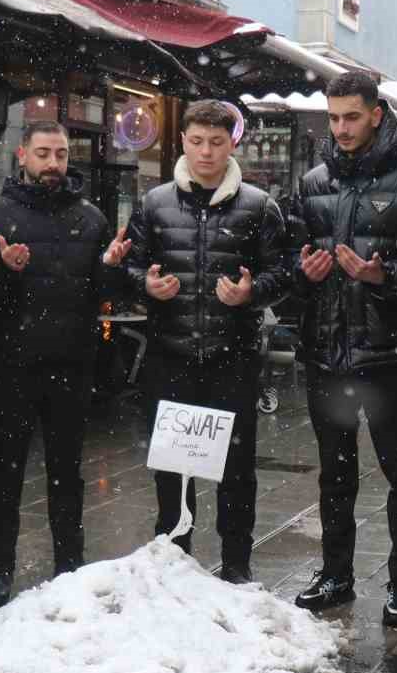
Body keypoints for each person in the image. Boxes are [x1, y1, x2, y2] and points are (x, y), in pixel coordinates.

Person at [289, 70, 397, 626]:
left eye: (352, 116)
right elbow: (291, 256)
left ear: (376, 113)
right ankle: (335, 574)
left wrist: (387, 275)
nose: (341, 128)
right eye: (334, 117)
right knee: (334, 474)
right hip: (328, 351)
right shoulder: (312, 183)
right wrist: (304, 270)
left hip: (392, 353)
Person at [107, 100, 288, 582]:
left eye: (216, 141)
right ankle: (174, 558)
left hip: (234, 356)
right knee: (172, 465)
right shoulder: (155, 202)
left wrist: (252, 292)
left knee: (236, 468)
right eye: (196, 141)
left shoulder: (259, 205)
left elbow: (282, 273)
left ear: (233, 143)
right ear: (183, 142)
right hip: (172, 355)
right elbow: (129, 266)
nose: (206, 151)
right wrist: (144, 285)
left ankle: (236, 563)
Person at [0, 121, 116, 609]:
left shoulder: (92, 218)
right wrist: (3, 274)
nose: (53, 163)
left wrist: (114, 272)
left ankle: (70, 566)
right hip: (11, 365)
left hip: (71, 365)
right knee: (4, 473)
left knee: (67, 473)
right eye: (42, 153)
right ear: (21, 155)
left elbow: (101, 293)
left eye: (59, 153)